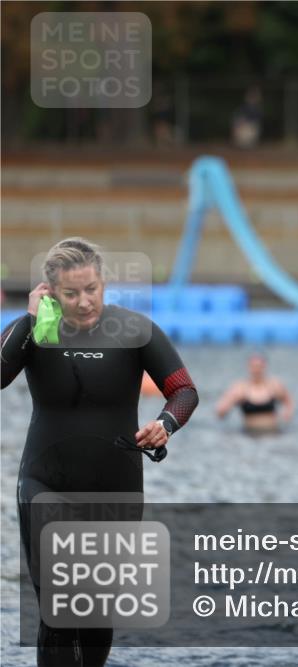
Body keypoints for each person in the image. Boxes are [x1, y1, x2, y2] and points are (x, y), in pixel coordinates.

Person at [1, 237, 199, 667]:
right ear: (50, 292)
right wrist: (30, 321)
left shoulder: (134, 329)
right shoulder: (33, 331)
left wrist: (165, 425)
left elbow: (183, 390)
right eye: (71, 294)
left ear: (103, 283)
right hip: (44, 483)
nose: (85, 301)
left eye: (91, 289)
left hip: (116, 487)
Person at [215, 353, 293, 435]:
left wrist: (287, 413)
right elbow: (220, 412)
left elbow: (289, 401)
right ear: (248, 367)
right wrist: (229, 403)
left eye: (259, 366)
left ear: (264, 367)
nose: (257, 370)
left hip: (272, 432)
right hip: (249, 433)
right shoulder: (240, 388)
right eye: (254, 366)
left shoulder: (274, 386)